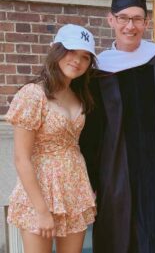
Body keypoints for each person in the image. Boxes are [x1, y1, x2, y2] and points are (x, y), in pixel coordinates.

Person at [79, 0, 155, 253]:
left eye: (137, 19)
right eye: (123, 18)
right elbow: (90, 132)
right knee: (119, 234)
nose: (130, 26)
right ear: (111, 20)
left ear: (147, 22)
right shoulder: (97, 70)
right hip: (116, 172)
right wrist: (90, 181)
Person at [6, 24, 97, 253]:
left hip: (73, 189)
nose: (77, 60)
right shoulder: (33, 94)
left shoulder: (79, 95)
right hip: (41, 190)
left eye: (85, 57)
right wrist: (42, 210)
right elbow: (21, 158)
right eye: (71, 52)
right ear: (56, 50)